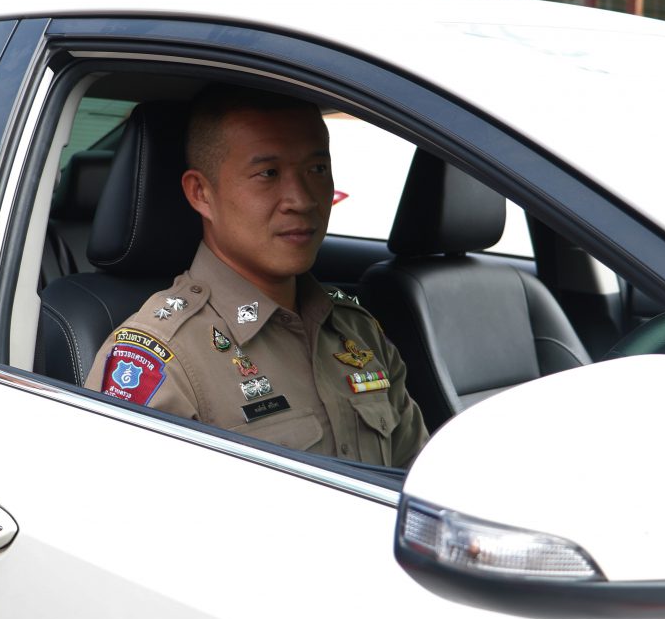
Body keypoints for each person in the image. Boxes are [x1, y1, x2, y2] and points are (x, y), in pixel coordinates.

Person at [85, 84, 428, 468]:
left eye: (317, 169)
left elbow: (415, 478)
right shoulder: (166, 358)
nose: (302, 200)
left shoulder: (356, 330)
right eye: (268, 173)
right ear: (201, 193)